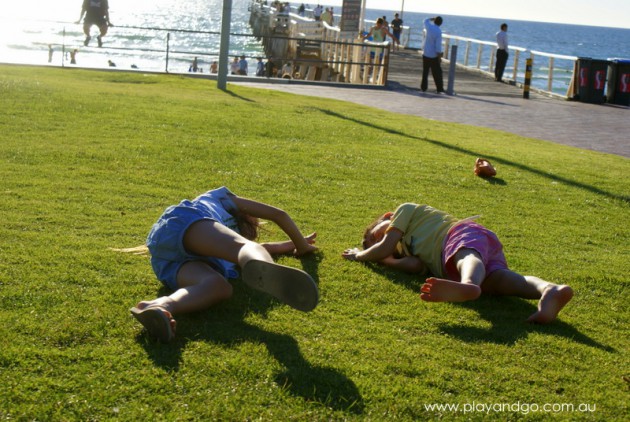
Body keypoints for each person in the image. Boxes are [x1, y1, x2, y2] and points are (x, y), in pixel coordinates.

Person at [129, 187, 320, 342]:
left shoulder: (224, 243)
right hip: (184, 221)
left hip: (170, 258)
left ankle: (159, 307)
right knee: (245, 248)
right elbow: (279, 214)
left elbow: (263, 247)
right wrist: (301, 247)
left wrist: (290, 245)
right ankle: (270, 274)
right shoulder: (223, 200)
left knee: (219, 286)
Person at [342, 203, 573, 324]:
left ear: (387, 216)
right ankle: (548, 290)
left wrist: (360, 255)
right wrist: (390, 261)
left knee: (467, 257)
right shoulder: (403, 249)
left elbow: (384, 245)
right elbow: (414, 266)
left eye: (376, 235)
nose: (382, 242)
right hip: (450, 266)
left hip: (458, 235)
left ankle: (470, 284)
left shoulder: (406, 211)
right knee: (502, 280)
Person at [421, 16, 445, 93]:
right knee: (437, 72)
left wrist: (432, 18)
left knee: (425, 72)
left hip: (426, 53)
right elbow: (438, 46)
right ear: (441, 23)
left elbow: (425, 20)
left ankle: (424, 88)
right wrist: (439, 56)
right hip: (433, 55)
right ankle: (439, 88)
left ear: (434, 21)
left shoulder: (429, 27)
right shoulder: (438, 31)